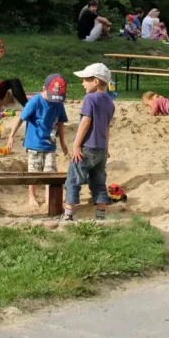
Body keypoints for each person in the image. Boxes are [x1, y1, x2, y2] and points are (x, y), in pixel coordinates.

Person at [6, 74, 70, 210]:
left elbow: (61, 123)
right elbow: (21, 118)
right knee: (34, 171)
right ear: (44, 88)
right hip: (34, 143)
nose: (54, 99)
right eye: (52, 96)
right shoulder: (35, 102)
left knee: (50, 172)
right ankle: (32, 196)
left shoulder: (58, 103)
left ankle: (48, 197)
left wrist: (63, 143)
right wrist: (11, 136)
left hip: (50, 144)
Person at [64, 63, 115, 221]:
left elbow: (86, 122)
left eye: (86, 80)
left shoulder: (90, 98)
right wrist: (106, 148)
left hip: (86, 148)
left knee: (73, 179)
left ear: (96, 81)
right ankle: (100, 214)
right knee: (98, 181)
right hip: (101, 149)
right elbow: (107, 127)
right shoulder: (110, 102)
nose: (83, 83)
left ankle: (68, 214)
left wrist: (76, 144)